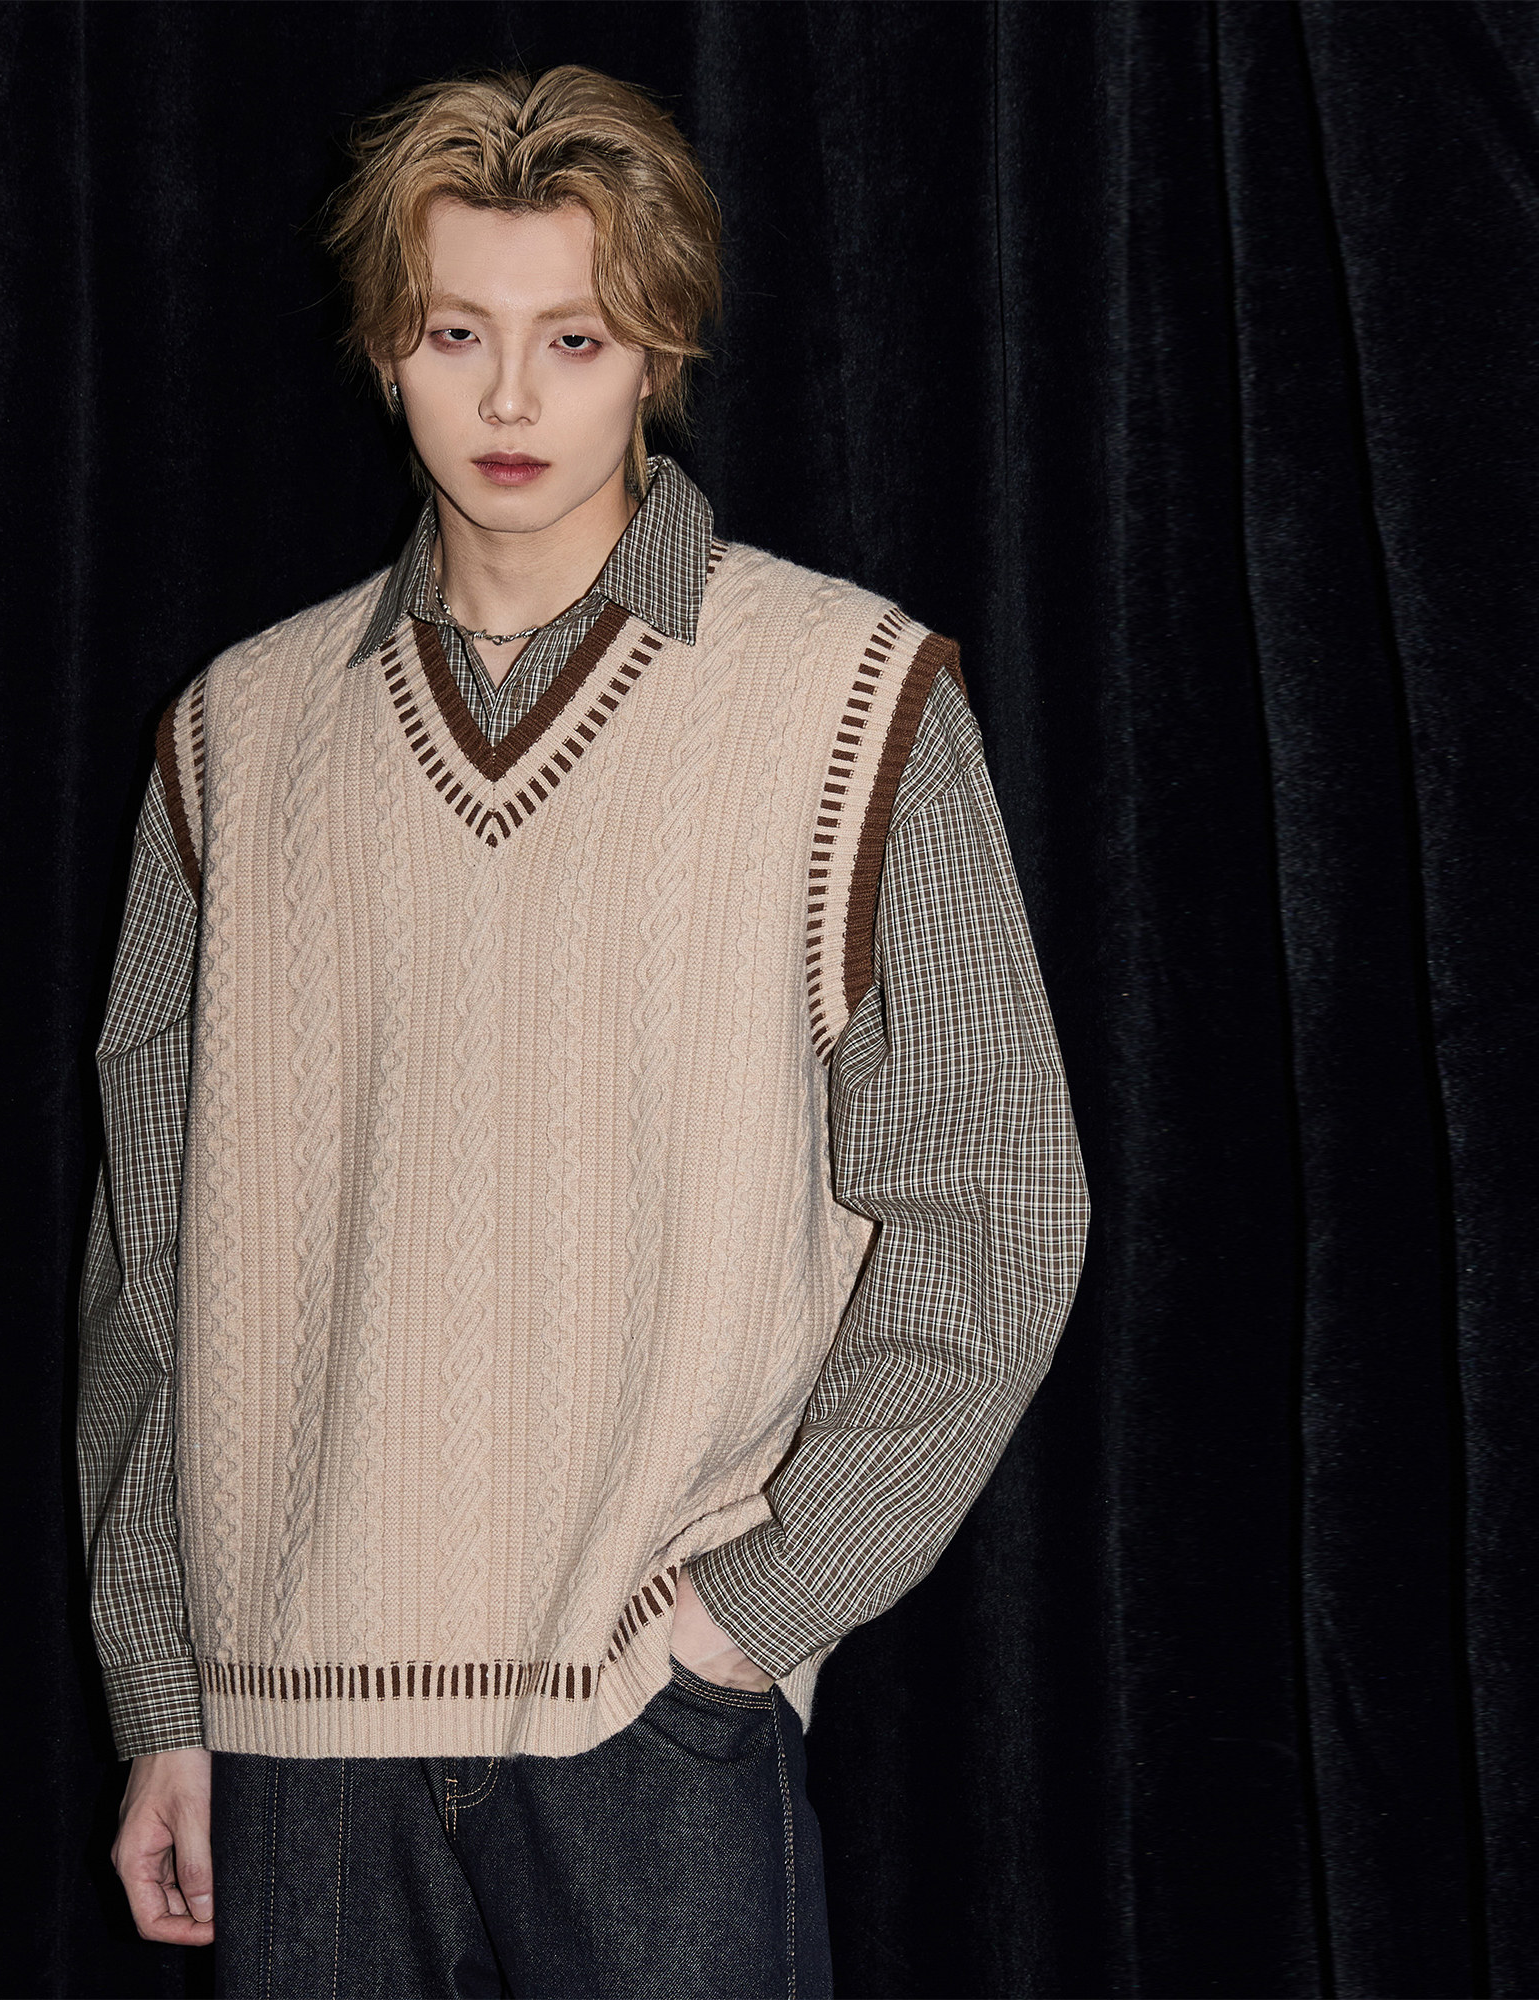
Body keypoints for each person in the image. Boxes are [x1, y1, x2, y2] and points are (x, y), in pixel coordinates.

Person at [76, 63, 1088, 2000]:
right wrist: (165, 1695)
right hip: (292, 1732)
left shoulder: (848, 695)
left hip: (647, 1717)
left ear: (660, 351)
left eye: (577, 336)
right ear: (388, 344)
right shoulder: (236, 735)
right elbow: (152, 1256)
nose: (513, 400)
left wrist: (749, 1620)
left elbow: (997, 1205)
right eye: (459, 331)